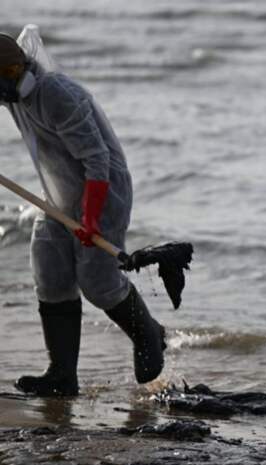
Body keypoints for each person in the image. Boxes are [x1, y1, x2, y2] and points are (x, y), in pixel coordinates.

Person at [0, 25, 166, 396]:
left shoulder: (56, 95)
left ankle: (150, 334)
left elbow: (97, 159)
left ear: (12, 73)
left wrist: (91, 217)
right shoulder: (14, 93)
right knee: (50, 272)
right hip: (60, 193)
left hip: (102, 190)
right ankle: (62, 375)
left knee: (98, 283)